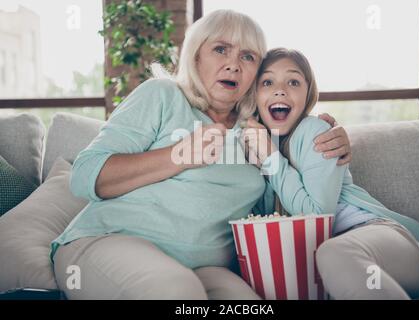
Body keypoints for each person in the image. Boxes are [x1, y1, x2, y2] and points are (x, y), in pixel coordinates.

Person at [50, 10, 351, 300]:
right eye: (221, 49)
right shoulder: (162, 95)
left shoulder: (258, 132)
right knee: (177, 292)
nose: (234, 64)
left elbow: (291, 183)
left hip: (206, 268)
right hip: (109, 241)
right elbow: (84, 175)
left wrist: (319, 130)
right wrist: (177, 156)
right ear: (196, 56)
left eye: (248, 57)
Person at [242, 48, 419, 299]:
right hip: (341, 268)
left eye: (293, 81)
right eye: (267, 82)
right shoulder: (251, 147)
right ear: (254, 95)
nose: (280, 90)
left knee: (334, 253)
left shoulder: (315, 132)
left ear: (308, 94)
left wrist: (271, 157)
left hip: (382, 244)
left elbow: (315, 216)